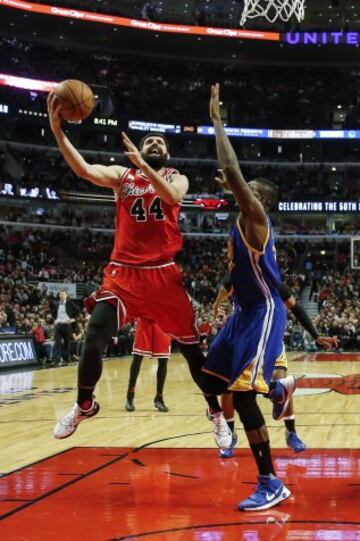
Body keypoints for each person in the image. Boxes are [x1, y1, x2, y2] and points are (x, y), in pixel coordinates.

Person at [47, 93, 229, 446]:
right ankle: (85, 404)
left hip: (163, 276)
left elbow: (172, 198)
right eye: (150, 141)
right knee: (93, 338)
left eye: (160, 141)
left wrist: (144, 168)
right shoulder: (122, 175)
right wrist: (58, 131)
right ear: (141, 149)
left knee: (193, 352)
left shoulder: (178, 176)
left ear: (167, 154)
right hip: (123, 276)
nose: (155, 143)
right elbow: (84, 169)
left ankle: (215, 413)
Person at [200, 84, 295, 511]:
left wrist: (218, 121)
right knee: (210, 378)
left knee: (240, 397)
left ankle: (270, 481)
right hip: (243, 313)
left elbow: (232, 169)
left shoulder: (256, 217)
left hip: (263, 312)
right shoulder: (241, 220)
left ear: (263, 200)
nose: (239, 188)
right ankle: (276, 387)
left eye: (248, 187)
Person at [213, 277, 339, 458]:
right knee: (229, 389)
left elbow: (296, 307)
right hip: (244, 340)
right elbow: (224, 287)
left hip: (271, 340)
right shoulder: (238, 276)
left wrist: (315, 335)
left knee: (283, 381)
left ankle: (291, 432)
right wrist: (218, 303)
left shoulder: (274, 282)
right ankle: (230, 435)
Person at [125, 318, 171, 412]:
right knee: (137, 357)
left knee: (163, 360)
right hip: (145, 319)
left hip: (162, 321)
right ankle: (130, 395)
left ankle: (159, 397)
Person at [50, 290, 81, 366]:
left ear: (66, 295)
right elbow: (53, 313)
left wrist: (73, 319)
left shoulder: (70, 303)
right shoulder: (57, 304)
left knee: (67, 343)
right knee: (57, 343)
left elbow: (78, 310)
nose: (61, 295)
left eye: (63, 294)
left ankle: (66, 359)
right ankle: (55, 360)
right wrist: (55, 320)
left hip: (67, 325)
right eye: (60, 294)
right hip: (58, 325)